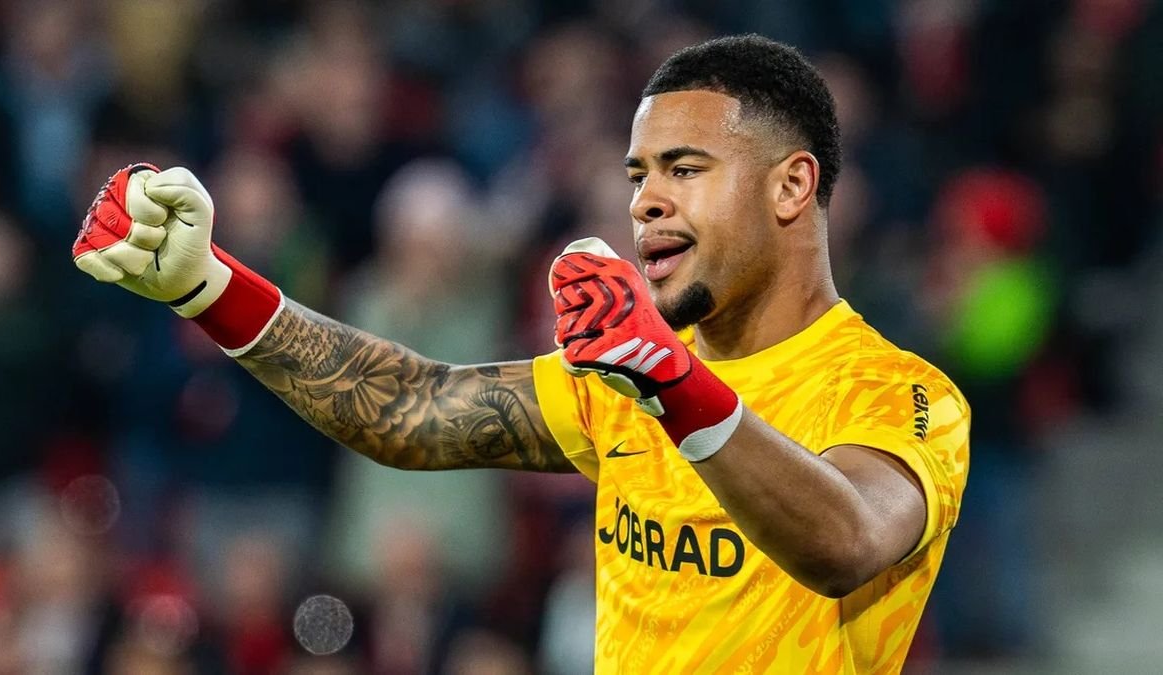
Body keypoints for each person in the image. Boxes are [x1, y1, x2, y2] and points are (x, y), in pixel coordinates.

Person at [73, 35, 969, 674]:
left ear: (793, 185)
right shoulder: (629, 375)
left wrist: (670, 381)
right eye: (638, 175)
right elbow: (409, 409)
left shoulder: (896, 392)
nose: (646, 201)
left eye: (685, 168)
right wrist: (209, 285)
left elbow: (847, 541)